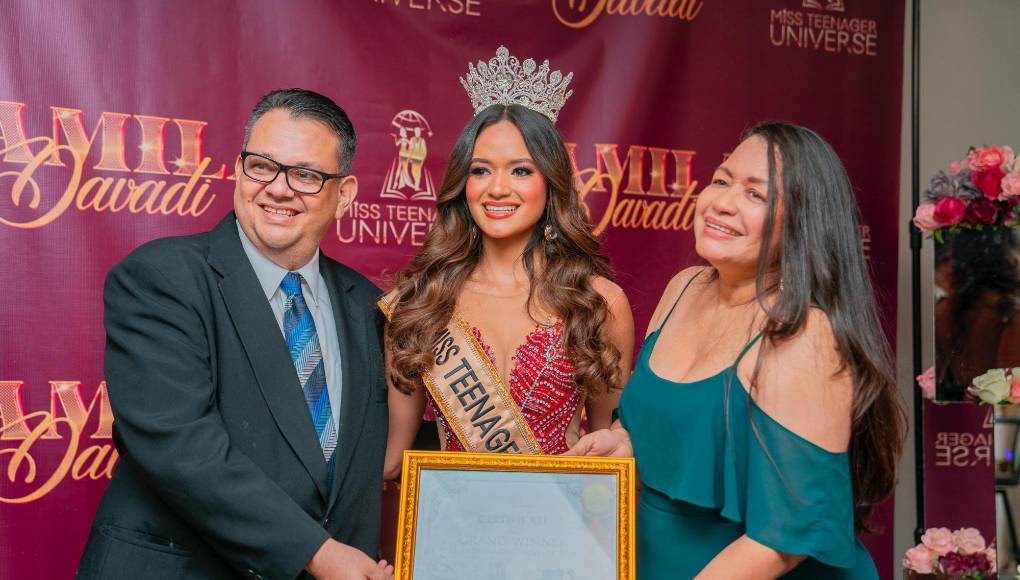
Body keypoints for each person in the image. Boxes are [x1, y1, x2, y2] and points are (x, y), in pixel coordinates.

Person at [77, 89, 392, 580]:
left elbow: (380, 460)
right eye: (261, 166)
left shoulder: (370, 307)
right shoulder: (160, 279)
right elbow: (181, 447)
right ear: (239, 169)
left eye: (306, 175)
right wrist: (320, 553)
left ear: (345, 194)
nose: (279, 189)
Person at [569, 122, 905, 579]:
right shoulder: (684, 288)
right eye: (721, 180)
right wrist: (623, 440)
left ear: (804, 222)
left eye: (755, 195)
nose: (722, 203)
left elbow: (780, 544)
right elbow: (667, 423)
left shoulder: (804, 334)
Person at [381, 46, 633, 477]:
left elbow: (615, 446)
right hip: (452, 527)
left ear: (551, 182)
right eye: (480, 170)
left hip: (560, 526)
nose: (497, 188)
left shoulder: (598, 303)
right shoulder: (418, 302)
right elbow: (391, 461)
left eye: (521, 170)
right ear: (463, 183)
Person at [934, 227, 1020, 400]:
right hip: (991, 418)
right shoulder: (1010, 316)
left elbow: (935, 376)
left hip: (955, 414)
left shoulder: (943, 309)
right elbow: (1006, 393)